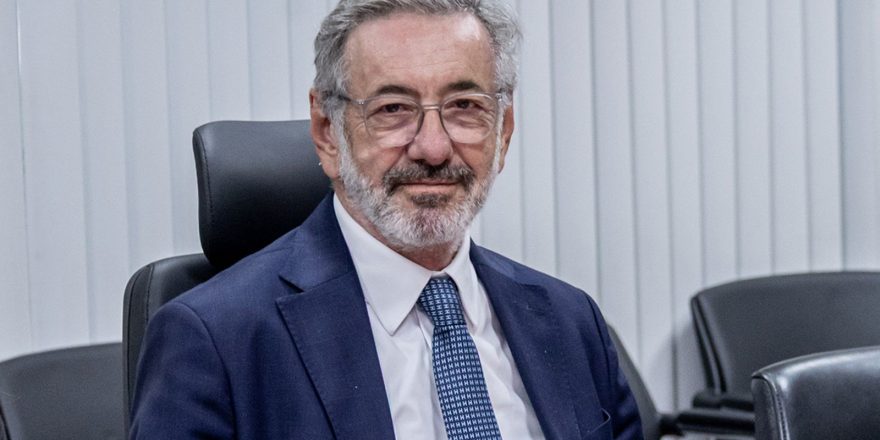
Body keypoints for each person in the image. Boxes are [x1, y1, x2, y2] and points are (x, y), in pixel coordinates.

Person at [129, 1, 643, 439]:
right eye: (393, 108)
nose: (433, 148)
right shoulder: (216, 340)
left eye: (464, 106)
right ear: (328, 132)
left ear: (503, 132)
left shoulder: (571, 322)